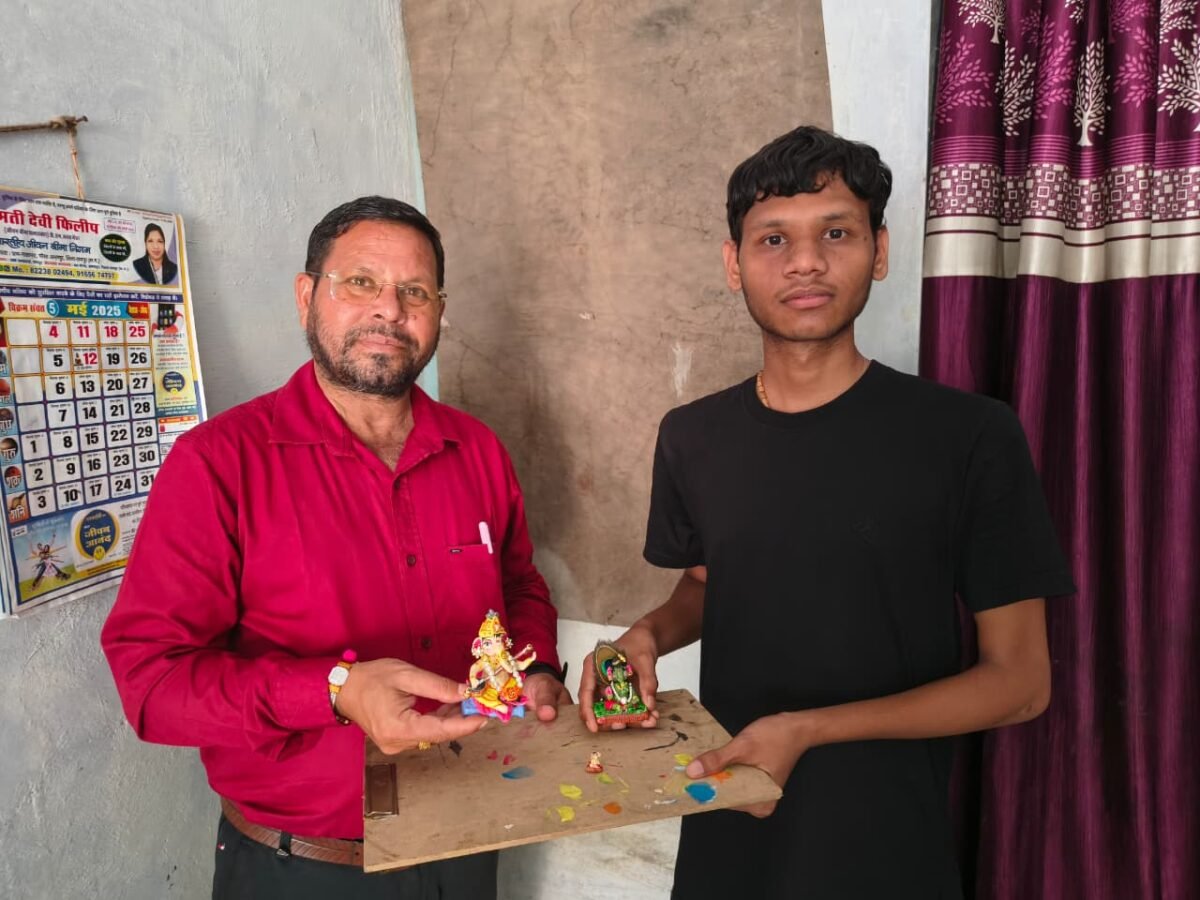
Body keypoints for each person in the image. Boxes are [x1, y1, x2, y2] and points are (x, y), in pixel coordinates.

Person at [578, 127, 1075, 899]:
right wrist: (645, 635)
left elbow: (1020, 683)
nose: (805, 261)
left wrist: (808, 729)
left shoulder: (969, 436)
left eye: (835, 233)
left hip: (885, 845)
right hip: (729, 816)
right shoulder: (693, 436)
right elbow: (710, 582)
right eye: (773, 238)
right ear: (733, 263)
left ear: (879, 251)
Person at [102, 196, 570, 900]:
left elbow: (519, 585)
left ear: (439, 310)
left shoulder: (477, 450)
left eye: (415, 291)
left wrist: (535, 667)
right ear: (306, 296)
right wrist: (334, 691)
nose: (389, 310)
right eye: (360, 282)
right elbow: (152, 685)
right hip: (306, 869)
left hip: (470, 832)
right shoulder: (217, 464)